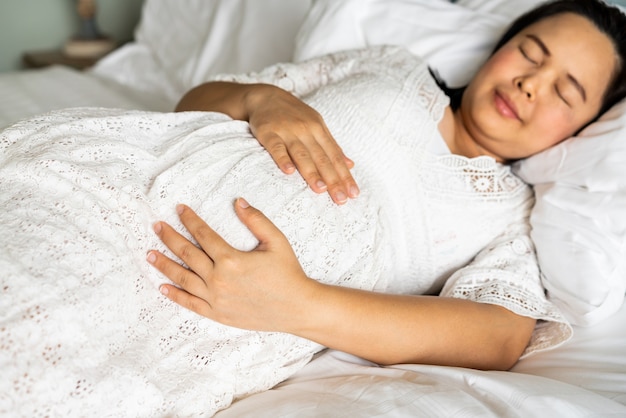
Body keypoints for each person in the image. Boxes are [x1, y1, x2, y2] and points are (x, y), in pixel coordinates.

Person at [149, 0, 626, 371]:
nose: (530, 83)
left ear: (581, 132)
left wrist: (298, 304)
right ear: (502, 45)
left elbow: (497, 338)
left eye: (565, 92)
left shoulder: (513, 217)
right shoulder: (390, 66)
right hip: (139, 174)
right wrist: (260, 99)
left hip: (189, 306)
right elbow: (192, 102)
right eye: (529, 52)